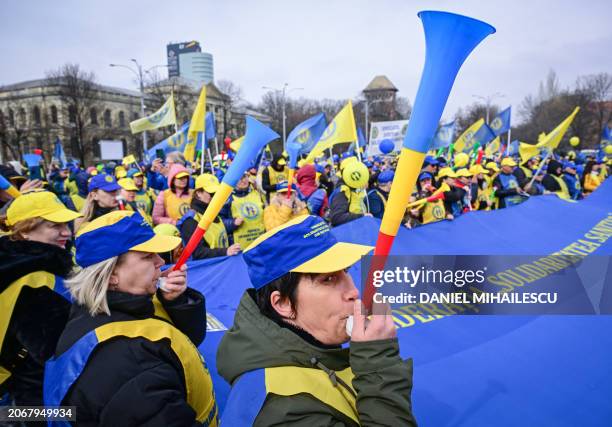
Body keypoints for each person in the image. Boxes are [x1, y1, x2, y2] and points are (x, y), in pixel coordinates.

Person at [217, 215, 417, 426]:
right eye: (328, 279)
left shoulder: (318, 347)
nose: (353, 291)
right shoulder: (279, 411)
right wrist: (378, 365)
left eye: (345, 272)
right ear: (283, 304)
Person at [44, 210, 218, 426]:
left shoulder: (125, 302)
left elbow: (184, 341)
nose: (160, 261)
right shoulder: (128, 364)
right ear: (111, 275)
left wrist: (176, 302)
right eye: (147, 256)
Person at [0, 190, 81, 406]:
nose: (67, 232)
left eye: (66, 224)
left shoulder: (18, 261)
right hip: (39, 395)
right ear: (25, 231)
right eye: (55, 226)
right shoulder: (33, 281)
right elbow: (54, 352)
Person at [178, 173, 241, 259]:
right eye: (211, 194)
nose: (215, 197)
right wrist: (225, 251)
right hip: (208, 269)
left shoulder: (214, 213)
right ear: (198, 193)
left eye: (217, 193)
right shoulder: (191, 220)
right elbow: (197, 253)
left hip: (222, 265)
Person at [228, 172, 265, 250]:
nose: (242, 180)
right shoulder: (228, 198)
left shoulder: (257, 193)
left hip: (260, 242)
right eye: (239, 178)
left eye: (244, 177)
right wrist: (232, 223)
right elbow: (219, 223)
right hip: (239, 247)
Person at [329, 161, 371, 226]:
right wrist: (362, 216)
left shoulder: (353, 186)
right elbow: (336, 217)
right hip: (347, 231)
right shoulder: (342, 192)